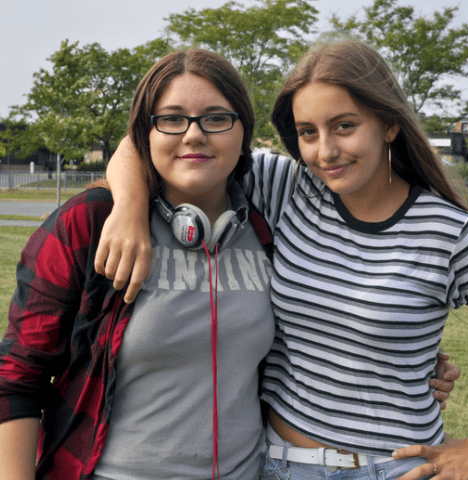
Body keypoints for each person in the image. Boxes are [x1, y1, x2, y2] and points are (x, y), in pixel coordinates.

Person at [97, 41, 468, 480]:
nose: (327, 151)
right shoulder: (288, 186)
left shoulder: (447, 229)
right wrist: (129, 208)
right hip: (283, 463)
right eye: (308, 132)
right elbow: (142, 141)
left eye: (345, 126)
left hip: (393, 466)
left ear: (389, 124)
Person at [0, 48, 278, 480]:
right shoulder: (91, 222)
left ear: (244, 132)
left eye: (216, 118)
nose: (194, 135)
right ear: (144, 134)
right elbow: (18, 377)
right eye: (171, 119)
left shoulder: (264, 224)